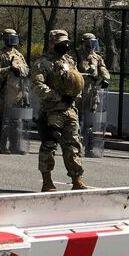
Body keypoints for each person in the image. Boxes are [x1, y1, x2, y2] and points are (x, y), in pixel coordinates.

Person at [31, 29, 88, 191]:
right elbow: (37, 86)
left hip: (70, 110)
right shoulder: (42, 63)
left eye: (66, 43)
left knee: (73, 146)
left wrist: (74, 96)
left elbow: (77, 83)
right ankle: (47, 181)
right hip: (52, 111)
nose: (65, 45)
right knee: (49, 145)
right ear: (52, 43)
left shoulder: (70, 62)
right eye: (61, 43)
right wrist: (57, 96)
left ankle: (77, 179)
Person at [0, 28, 30, 154]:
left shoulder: (18, 54)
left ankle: (15, 146)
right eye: (9, 38)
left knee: (16, 121)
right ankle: (1, 146)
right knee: (4, 121)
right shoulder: (0, 55)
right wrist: (9, 69)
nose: (12, 41)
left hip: (18, 92)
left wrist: (19, 70)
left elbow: (27, 70)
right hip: (5, 92)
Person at [78, 33, 110, 157]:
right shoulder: (78, 56)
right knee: (77, 121)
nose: (91, 46)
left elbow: (103, 69)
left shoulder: (97, 58)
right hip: (79, 92)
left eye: (93, 43)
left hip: (92, 93)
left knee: (89, 123)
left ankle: (89, 148)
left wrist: (106, 78)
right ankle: (77, 147)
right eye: (89, 43)